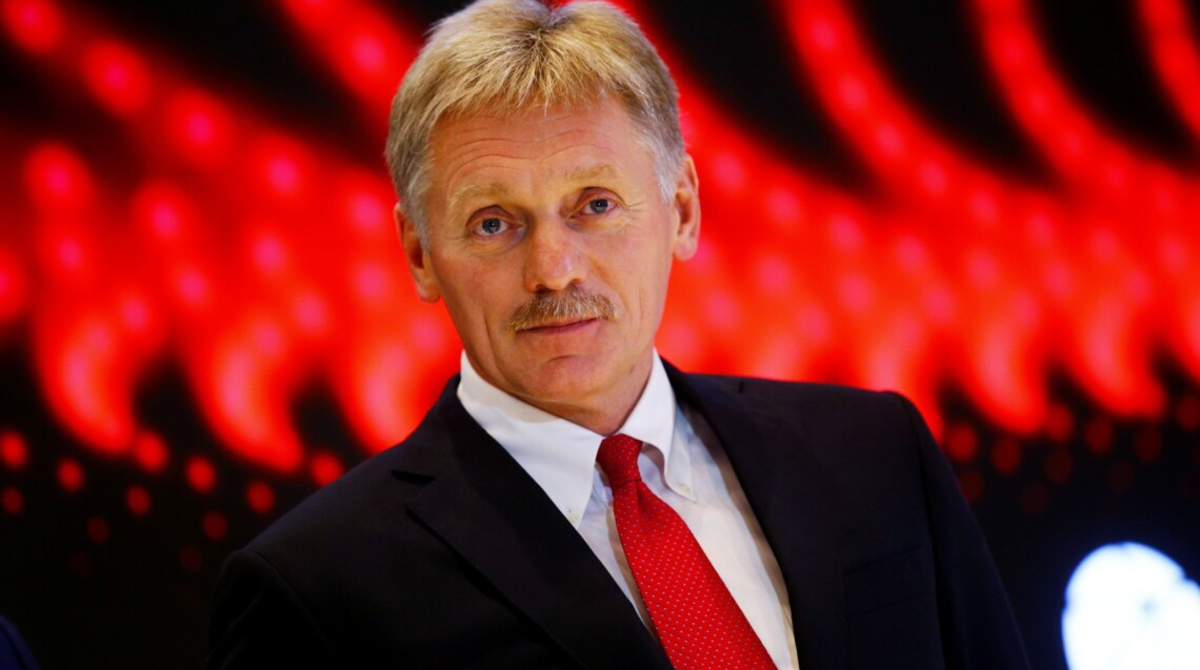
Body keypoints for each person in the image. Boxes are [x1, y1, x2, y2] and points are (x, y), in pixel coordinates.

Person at [207, 1, 1030, 668]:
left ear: (682, 210)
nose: (554, 269)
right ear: (420, 253)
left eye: (595, 205)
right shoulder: (316, 590)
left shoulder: (875, 455)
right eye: (494, 223)